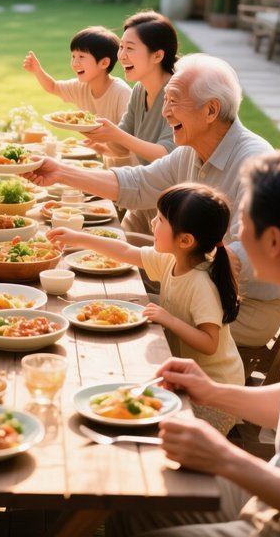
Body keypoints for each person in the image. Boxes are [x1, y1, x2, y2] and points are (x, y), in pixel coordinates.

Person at [109, 149, 280, 537]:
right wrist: (211, 391)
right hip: (278, 490)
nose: (233, 239)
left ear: (274, 240)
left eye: (243, 225)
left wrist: (224, 456)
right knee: (132, 496)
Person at [28, 53, 280, 347]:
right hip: (198, 287)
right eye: (166, 100)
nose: (165, 112)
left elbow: (255, 254)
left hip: (243, 306)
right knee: (105, 301)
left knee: (117, 312)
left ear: (211, 110)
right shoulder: (192, 150)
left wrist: (177, 261)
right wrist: (60, 171)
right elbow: (137, 184)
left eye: (174, 100)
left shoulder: (256, 163)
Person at [50, 182, 244, 433]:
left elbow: (210, 343)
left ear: (185, 240)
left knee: (137, 419)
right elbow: (126, 251)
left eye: (161, 220)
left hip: (214, 396)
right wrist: (79, 237)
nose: (152, 223)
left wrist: (168, 319)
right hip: (185, 377)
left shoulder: (201, 283)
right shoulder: (172, 259)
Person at [83, 10, 178, 232]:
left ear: (157, 56)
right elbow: (120, 147)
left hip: (172, 207)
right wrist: (99, 137)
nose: (122, 55)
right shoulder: (139, 90)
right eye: (121, 47)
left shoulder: (176, 94)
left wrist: (115, 134)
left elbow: (167, 154)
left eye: (130, 48)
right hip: (145, 198)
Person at [23, 25, 132, 123]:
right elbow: (53, 87)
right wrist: (37, 70)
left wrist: (103, 145)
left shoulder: (121, 93)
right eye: (73, 56)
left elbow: (131, 133)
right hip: (91, 145)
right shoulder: (81, 87)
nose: (75, 63)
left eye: (81, 57)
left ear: (104, 63)